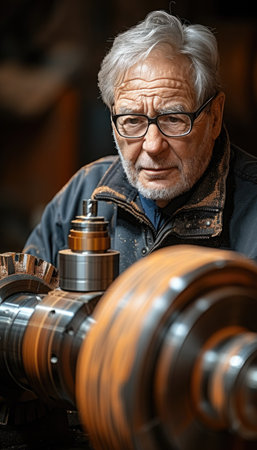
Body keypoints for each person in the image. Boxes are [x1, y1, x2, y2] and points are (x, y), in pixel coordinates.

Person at [23, 9, 257, 274]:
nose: (153, 146)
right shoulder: (84, 192)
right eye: (133, 121)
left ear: (214, 117)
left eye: (173, 119)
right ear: (113, 120)